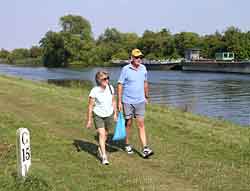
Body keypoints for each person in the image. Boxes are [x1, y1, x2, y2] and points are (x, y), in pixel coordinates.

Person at [117, 48, 154, 158]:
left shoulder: (143, 68)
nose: (139, 59)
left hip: (140, 101)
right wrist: (119, 101)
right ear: (132, 58)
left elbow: (145, 82)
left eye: (140, 57)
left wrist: (147, 96)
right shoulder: (125, 69)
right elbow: (120, 85)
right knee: (128, 123)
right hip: (127, 101)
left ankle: (145, 148)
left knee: (141, 124)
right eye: (137, 57)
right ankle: (127, 144)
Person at [86, 71, 117, 165]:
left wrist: (115, 114)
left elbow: (113, 101)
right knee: (102, 134)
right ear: (99, 80)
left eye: (108, 78)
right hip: (98, 114)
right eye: (104, 79)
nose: (107, 80)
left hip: (109, 114)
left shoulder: (111, 88)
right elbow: (90, 106)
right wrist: (89, 120)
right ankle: (104, 157)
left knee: (106, 134)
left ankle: (100, 147)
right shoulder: (94, 90)